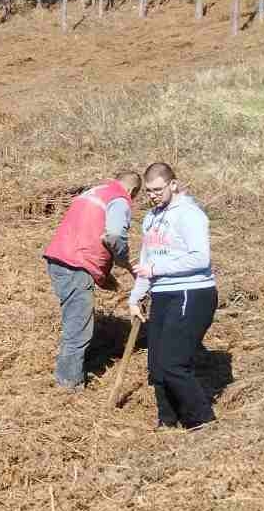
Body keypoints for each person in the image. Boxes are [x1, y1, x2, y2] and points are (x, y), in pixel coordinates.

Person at [127, 162, 217, 429]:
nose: (153, 195)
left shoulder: (190, 214)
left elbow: (200, 258)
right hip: (162, 293)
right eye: (149, 191)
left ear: (173, 184)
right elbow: (147, 260)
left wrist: (157, 269)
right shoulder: (151, 218)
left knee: (173, 364)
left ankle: (202, 421)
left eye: (158, 189)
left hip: (191, 291)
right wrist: (135, 297)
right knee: (156, 366)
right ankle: (167, 421)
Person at [41, 170, 142, 388]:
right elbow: (113, 236)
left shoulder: (95, 192)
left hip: (59, 259)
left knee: (74, 322)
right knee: (78, 329)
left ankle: (66, 376)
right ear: (132, 191)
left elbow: (86, 234)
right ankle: (69, 386)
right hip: (75, 265)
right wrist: (126, 264)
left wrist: (102, 275)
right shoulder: (120, 199)